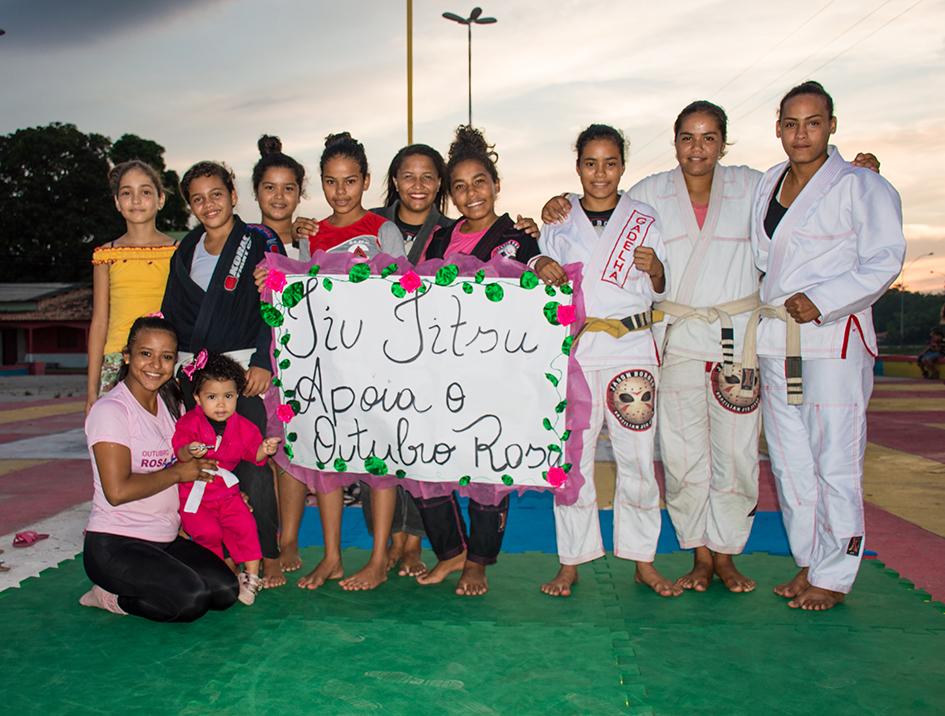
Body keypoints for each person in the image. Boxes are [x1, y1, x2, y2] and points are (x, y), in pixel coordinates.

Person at [541, 107, 882, 595]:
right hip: (676, 338)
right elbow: (599, 214)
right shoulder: (649, 194)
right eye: (686, 137)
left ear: (725, 142)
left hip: (736, 339)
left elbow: (806, 189)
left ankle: (726, 554)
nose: (697, 148)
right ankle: (699, 554)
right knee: (680, 455)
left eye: (709, 138)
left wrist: (851, 175)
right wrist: (559, 206)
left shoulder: (754, 186)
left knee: (738, 454)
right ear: (674, 141)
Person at [751, 80, 904, 610]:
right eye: (791, 124)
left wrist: (824, 299)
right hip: (776, 340)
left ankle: (836, 573)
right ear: (778, 129)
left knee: (834, 458)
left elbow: (884, 260)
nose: (801, 133)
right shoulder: (768, 182)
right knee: (790, 461)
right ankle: (810, 561)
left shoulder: (863, 186)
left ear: (831, 125)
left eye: (812, 122)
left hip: (834, 338)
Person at [533, 124, 673, 598]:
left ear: (623, 167)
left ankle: (642, 559)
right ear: (577, 167)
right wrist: (537, 265)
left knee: (637, 458)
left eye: (610, 163)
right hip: (578, 351)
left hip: (632, 348)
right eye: (590, 163)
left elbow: (662, 284)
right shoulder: (557, 219)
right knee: (573, 459)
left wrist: (655, 269)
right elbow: (540, 274)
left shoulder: (645, 216)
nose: (600, 173)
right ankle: (572, 559)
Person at [411, 125, 540, 597]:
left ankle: (479, 561)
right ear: (450, 193)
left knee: (488, 470)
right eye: (460, 186)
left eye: (480, 182)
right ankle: (451, 552)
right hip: (439, 375)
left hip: (494, 377)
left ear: (496, 184)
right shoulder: (438, 239)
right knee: (424, 463)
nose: (471, 194)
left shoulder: (520, 241)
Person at [161, 160, 287, 588]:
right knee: (204, 463)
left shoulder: (258, 243)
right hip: (195, 375)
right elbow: (174, 312)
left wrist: (264, 362)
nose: (208, 204)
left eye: (216, 194)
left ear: (233, 194)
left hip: (243, 372)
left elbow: (277, 304)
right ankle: (219, 551)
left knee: (252, 464)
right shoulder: (186, 251)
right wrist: (174, 370)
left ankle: (268, 553)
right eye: (198, 198)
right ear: (190, 207)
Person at [295, 132, 406, 593]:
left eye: (349, 181)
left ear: (365, 181)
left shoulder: (383, 230)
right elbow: (300, 296)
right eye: (330, 182)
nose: (340, 192)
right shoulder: (312, 233)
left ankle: (379, 558)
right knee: (326, 458)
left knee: (380, 458)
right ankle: (333, 557)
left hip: (376, 362)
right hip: (328, 365)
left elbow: (405, 292)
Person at [80, 315, 238, 621]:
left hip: (164, 537)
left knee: (224, 591)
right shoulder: (111, 411)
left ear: (175, 362)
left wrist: (226, 495)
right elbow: (117, 491)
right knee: (190, 600)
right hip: (115, 542)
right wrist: (179, 473)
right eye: (145, 354)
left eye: (166, 357)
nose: (155, 364)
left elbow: (190, 469)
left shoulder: (172, 405)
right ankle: (109, 597)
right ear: (127, 356)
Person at [173, 351, 282, 606]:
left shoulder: (243, 426)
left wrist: (264, 449)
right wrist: (189, 451)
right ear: (198, 399)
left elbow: (252, 453)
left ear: (237, 397)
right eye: (212, 397)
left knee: (245, 525)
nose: (221, 404)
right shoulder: (188, 424)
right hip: (195, 495)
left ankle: (252, 578)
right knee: (207, 532)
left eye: (228, 396)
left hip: (227, 493)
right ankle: (220, 573)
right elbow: (179, 450)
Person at [251, 134, 311, 575]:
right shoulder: (244, 243)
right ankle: (264, 536)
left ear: (299, 193)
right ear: (255, 193)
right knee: (261, 451)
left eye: (288, 188)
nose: (279, 196)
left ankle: (288, 538)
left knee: (293, 454)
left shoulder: (313, 240)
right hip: (258, 362)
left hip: (304, 363)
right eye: (269, 187)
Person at [86, 161, 177, 414]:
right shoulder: (106, 255)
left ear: (160, 199)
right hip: (118, 360)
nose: (136, 200)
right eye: (127, 192)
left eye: (145, 192)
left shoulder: (179, 253)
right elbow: (100, 322)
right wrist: (92, 389)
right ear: (117, 202)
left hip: (164, 362)